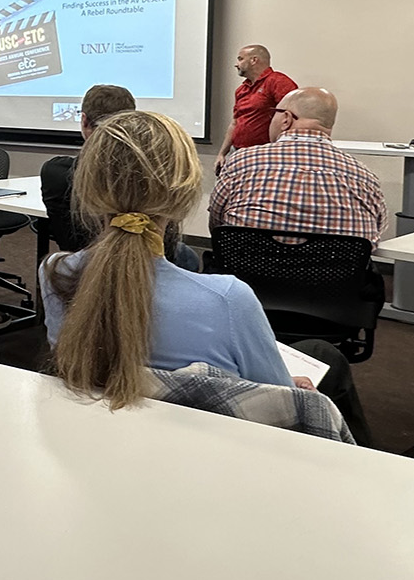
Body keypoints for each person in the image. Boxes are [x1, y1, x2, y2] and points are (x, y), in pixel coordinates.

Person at [41, 108, 363, 428]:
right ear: (183, 197)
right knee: (324, 355)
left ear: (86, 188)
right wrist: (295, 389)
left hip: (99, 438)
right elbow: (278, 406)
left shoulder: (56, 274)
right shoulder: (228, 300)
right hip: (208, 453)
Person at [41, 83, 201, 270]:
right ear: (131, 123)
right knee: (188, 257)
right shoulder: (152, 172)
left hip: (80, 267)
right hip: (150, 266)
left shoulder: (55, 172)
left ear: (84, 120)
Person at [210, 87, 385, 244]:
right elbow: (376, 233)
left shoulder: (241, 162)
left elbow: (216, 225)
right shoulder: (365, 177)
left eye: (274, 113)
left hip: (246, 276)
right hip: (335, 278)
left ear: (286, 119)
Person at [217, 44, 297, 170]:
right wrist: (222, 153)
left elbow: (293, 117)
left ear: (254, 60)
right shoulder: (241, 90)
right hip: (239, 153)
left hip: (265, 155)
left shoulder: (277, 81)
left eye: (240, 59)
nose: (236, 64)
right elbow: (235, 123)